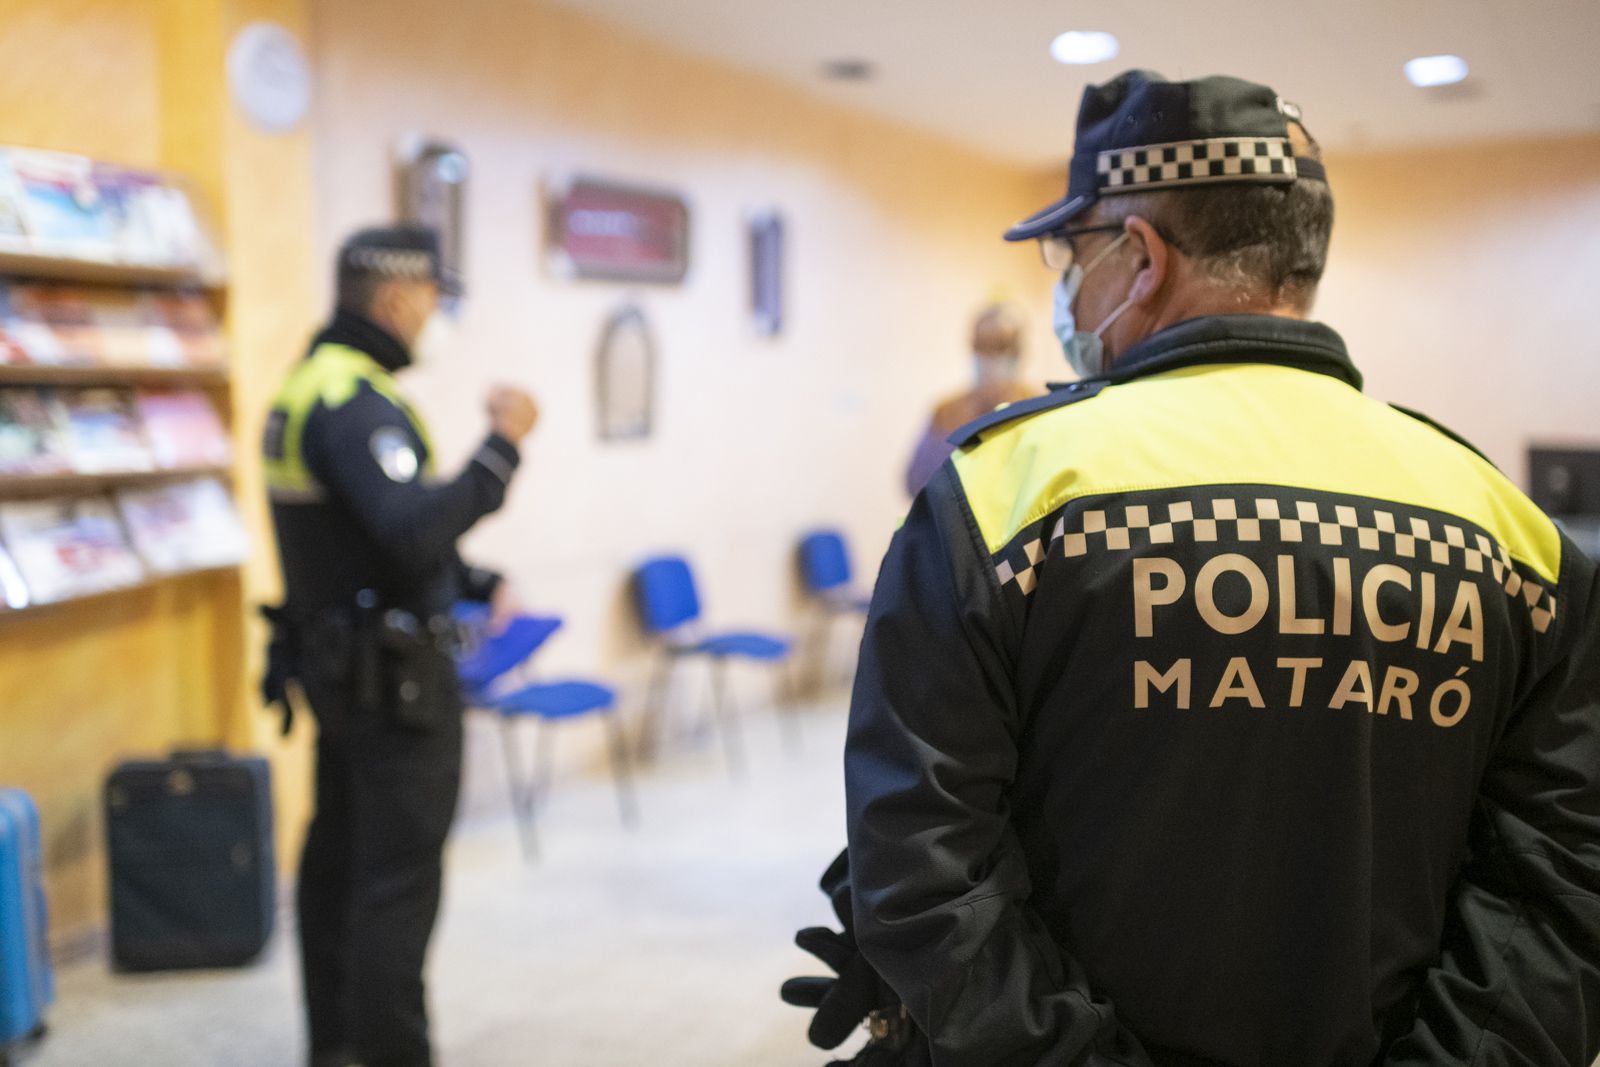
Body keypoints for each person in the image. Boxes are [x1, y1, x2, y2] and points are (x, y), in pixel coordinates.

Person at [788, 71, 1600, 1065]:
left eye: (1069, 250)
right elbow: (1558, 884)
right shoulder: (1510, 529)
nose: (1063, 286)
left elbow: (922, 865)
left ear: (1137, 255)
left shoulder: (1004, 494)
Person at [261, 225, 539, 1067]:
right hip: (393, 686)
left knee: (339, 871)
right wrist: (502, 446)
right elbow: (409, 528)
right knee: (393, 894)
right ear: (394, 299)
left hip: (342, 669)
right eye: (431, 297)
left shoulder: (308, 386)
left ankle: (337, 1048)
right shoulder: (355, 402)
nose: (434, 315)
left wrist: (478, 583)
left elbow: (365, 541)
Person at [903, 303, 1036, 497]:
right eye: (983, 347)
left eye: (1001, 347)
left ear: (1018, 352)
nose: (991, 359)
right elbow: (914, 482)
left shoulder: (1036, 407)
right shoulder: (946, 411)